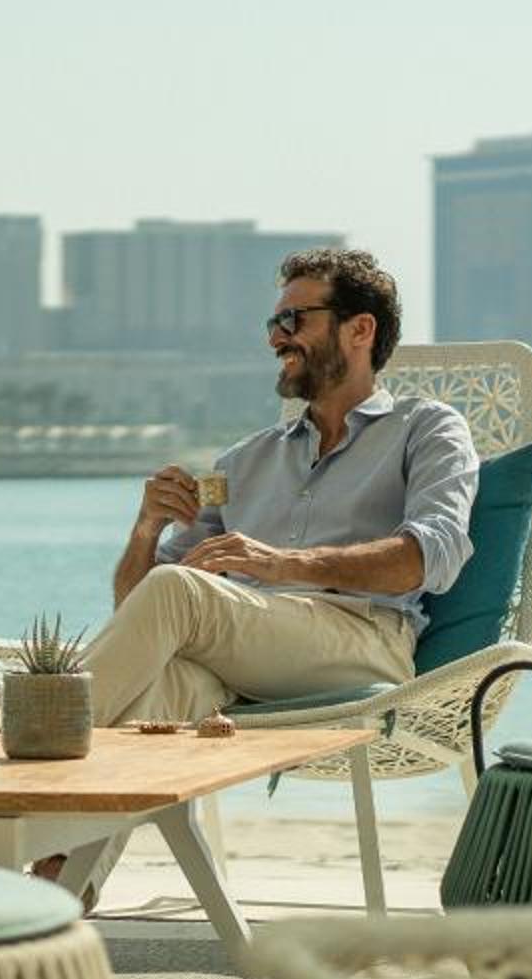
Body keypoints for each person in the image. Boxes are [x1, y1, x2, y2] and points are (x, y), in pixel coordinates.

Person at [83, 246, 476, 727]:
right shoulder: (242, 462)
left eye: (293, 320)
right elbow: (137, 616)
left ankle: (28, 729)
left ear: (360, 329)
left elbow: (432, 558)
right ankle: (36, 764)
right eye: (273, 324)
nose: (276, 339)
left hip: (363, 641)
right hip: (247, 655)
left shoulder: (427, 428)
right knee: (157, 693)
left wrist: (280, 563)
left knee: (175, 592)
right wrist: (146, 529)